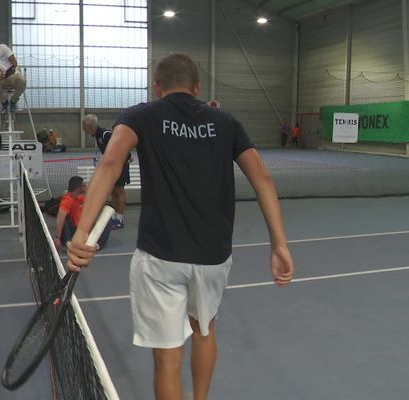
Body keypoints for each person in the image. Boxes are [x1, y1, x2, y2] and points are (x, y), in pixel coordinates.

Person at [67, 54, 294, 400]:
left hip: (161, 257)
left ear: (157, 88)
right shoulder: (226, 122)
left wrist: (81, 234)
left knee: (168, 358)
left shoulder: (141, 115)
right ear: (197, 88)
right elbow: (262, 178)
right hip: (213, 257)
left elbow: (110, 163)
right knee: (204, 331)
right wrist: (279, 245)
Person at [81, 114, 130, 229]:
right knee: (113, 191)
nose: (83, 129)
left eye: (84, 126)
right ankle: (114, 216)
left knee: (119, 191)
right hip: (112, 167)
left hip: (120, 165)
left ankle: (119, 219)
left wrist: (127, 156)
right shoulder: (97, 136)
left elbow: (121, 146)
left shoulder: (105, 134)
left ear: (89, 126)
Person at [53, 176, 111, 251]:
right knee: (65, 218)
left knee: (107, 220)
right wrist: (57, 238)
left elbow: (97, 202)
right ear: (78, 188)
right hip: (73, 231)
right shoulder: (67, 200)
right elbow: (60, 217)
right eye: (84, 185)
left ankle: (96, 246)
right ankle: (69, 243)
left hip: (83, 230)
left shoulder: (80, 198)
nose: (86, 186)